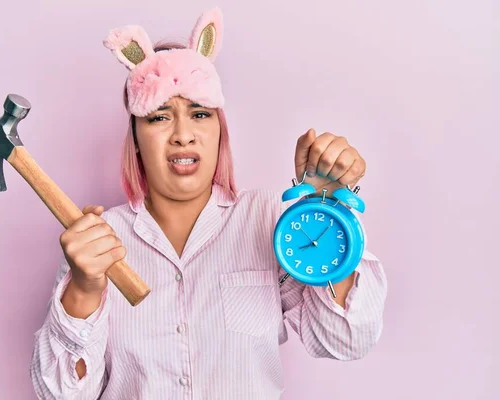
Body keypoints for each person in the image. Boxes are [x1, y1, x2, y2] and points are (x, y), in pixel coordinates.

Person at [29, 7, 387, 400]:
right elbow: (61, 395)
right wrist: (83, 289)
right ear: (135, 137)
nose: (183, 135)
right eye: (159, 118)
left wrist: (324, 214)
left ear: (220, 131)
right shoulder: (97, 244)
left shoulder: (268, 222)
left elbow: (347, 340)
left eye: (200, 114)